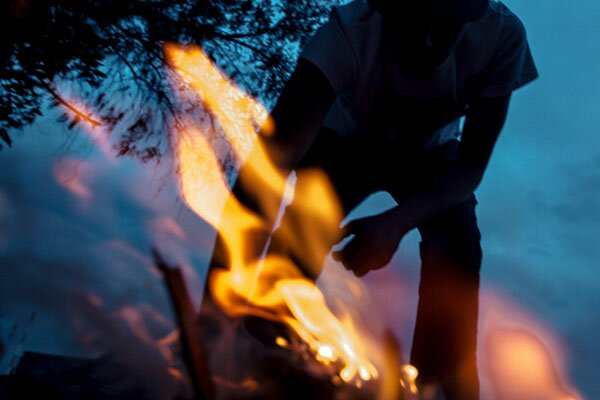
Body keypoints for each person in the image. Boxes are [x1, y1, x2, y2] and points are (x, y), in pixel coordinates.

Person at [201, 0, 538, 398]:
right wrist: (211, 315)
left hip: (430, 156)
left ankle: (440, 385)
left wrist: (394, 223)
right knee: (300, 238)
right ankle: (261, 350)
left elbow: (468, 169)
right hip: (341, 144)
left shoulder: (500, 36)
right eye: (414, 23)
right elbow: (262, 178)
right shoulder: (346, 36)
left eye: (445, 27)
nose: (428, 42)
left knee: (457, 238)